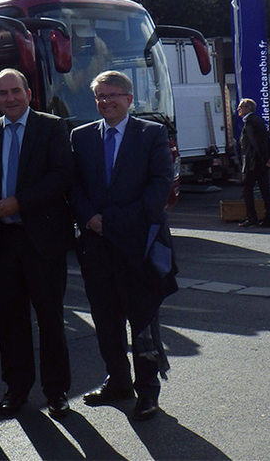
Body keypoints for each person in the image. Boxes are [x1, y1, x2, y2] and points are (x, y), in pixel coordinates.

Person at [70, 70, 178, 422]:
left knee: (143, 320)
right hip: (97, 246)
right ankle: (117, 382)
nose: (106, 102)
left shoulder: (152, 134)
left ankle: (148, 391)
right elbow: (75, 188)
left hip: (138, 245)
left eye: (113, 95)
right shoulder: (81, 137)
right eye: (100, 96)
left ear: (129, 99)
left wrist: (111, 221)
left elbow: (160, 187)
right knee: (105, 319)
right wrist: (89, 218)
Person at [0, 69, 73, 418]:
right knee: (10, 320)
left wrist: (20, 201)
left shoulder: (51, 127)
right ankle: (16, 388)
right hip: (3, 242)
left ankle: (57, 390)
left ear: (29, 94)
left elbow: (62, 176)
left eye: (16, 91)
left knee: (50, 317)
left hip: (42, 240)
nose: (10, 98)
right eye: (3, 93)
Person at [236, 98, 270, 228]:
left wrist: (265, 159)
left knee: (247, 190)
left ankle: (252, 217)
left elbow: (257, 143)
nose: (238, 110)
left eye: (240, 107)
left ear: (248, 108)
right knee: (265, 191)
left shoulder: (250, 123)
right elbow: (267, 140)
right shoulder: (258, 121)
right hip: (261, 163)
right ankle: (269, 218)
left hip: (253, 164)